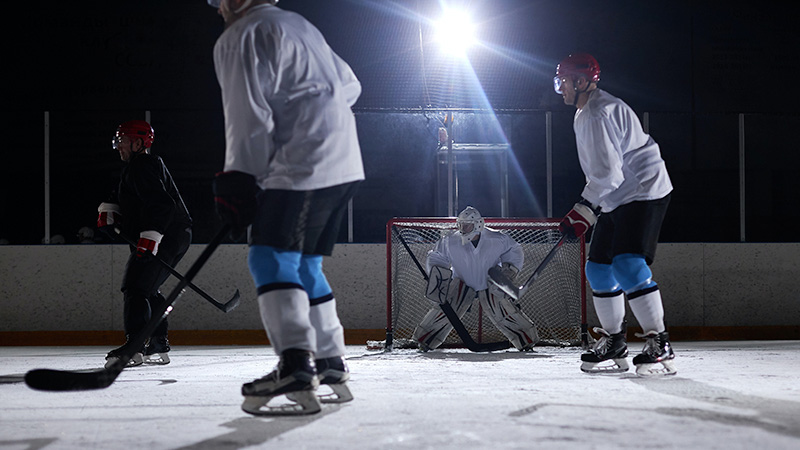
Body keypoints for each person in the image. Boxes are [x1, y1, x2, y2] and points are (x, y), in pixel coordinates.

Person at [207, 0, 364, 415]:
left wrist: (239, 178)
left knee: (269, 257)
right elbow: (350, 85)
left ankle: (296, 364)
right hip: (345, 160)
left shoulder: (239, 36)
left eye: (219, 0)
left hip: (302, 162)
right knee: (306, 264)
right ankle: (330, 362)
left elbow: (247, 116)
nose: (218, 8)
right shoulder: (300, 25)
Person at [554, 53, 676, 376]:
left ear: (581, 81)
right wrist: (588, 207)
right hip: (616, 196)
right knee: (597, 269)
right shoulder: (583, 113)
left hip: (643, 189)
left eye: (563, 81)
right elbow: (603, 174)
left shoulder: (597, 112)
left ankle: (659, 342)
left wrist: (583, 209)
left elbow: (610, 175)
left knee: (627, 264)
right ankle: (615, 341)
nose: (560, 88)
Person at [97, 120, 193, 369]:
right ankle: (158, 342)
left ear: (139, 143)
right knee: (147, 288)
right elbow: (129, 195)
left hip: (166, 234)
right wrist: (110, 209)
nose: (118, 145)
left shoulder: (142, 164)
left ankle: (134, 347)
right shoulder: (138, 166)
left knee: (135, 288)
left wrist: (151, 236)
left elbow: (162, 204)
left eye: (123, 140)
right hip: (173, 233)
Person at [413, 206, 539, 352]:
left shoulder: (497, 238)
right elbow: (436, 257)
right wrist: (438, 276)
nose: (463, 228)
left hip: (490, 283)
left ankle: (526, 340)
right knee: (445, 311)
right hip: (461, 283)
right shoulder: (449, 241)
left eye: (467, 225)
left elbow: (514, 250)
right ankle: (425, 340)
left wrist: (509, 268)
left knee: (504, 311)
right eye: (461, 225)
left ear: (478, 224)